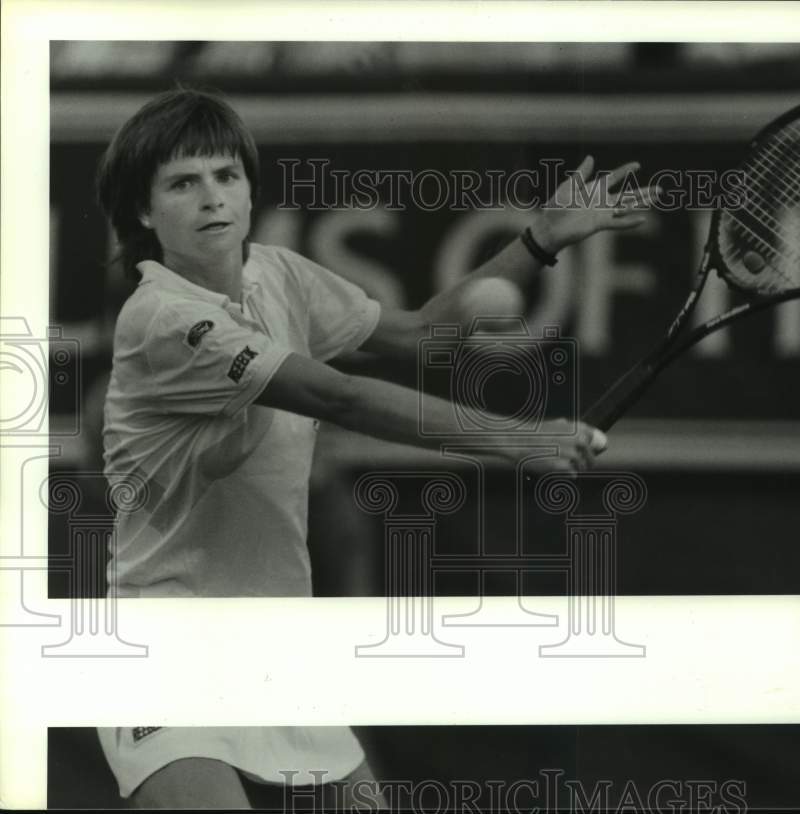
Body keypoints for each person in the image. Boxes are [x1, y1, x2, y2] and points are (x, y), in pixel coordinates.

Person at [93, 88, 654, 808]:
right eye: (182, 183)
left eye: (226, 175)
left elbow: (420, 333)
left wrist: (537, 242)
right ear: (144, 212)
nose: (212, 199)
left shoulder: (278, 274)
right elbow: (339, 396)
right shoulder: (164, 317)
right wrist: (519, 441)